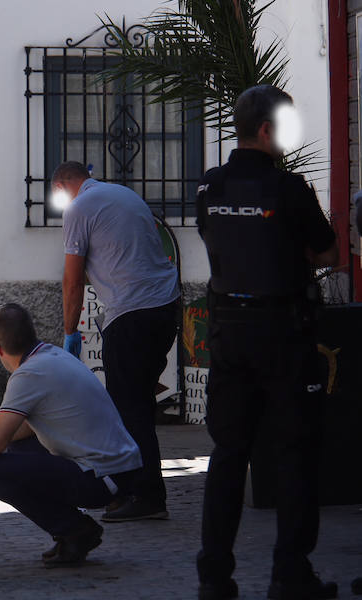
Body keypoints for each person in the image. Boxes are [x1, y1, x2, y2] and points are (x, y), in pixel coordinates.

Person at [194, 85, 339, 600]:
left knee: (228, 454)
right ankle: (290, 575)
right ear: (266, 130)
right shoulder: (290, 190)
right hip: (282, 334)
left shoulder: (209, 188)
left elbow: (217, 241)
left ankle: (214, 577)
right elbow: (328, 254)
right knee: (294, 454)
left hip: (229, 334)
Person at [0, 303, 142, 566]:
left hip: (103, 477)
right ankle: (73, 528)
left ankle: (74, 529)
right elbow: (23, 429)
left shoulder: (28, 375)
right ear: (33, 332)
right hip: (120, 469)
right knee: (18, 449)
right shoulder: (52, 356)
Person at [54, 160, 180, 522]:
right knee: (136, 403)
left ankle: (147, 495)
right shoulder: (123, 194)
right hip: (165, 307)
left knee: (130, 408)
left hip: (131, 313)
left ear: (62, 186)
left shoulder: (78, 207)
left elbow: (72, 280)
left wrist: (69, 332)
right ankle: (128, 489)